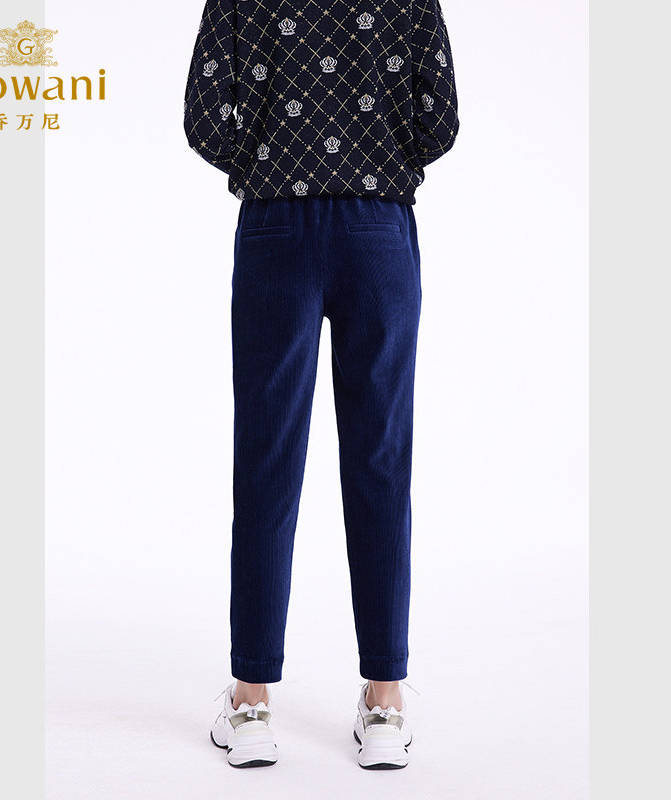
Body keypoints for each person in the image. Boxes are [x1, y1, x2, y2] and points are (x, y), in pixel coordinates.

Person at [183, 0, 459, 770]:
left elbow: (204, 117)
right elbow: (440, 119)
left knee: (267, 461)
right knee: (380, 461)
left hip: (276, 223)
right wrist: (380, 159)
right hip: (378, 226)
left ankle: (251, 704)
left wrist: (266, 160)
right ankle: (385, 704)